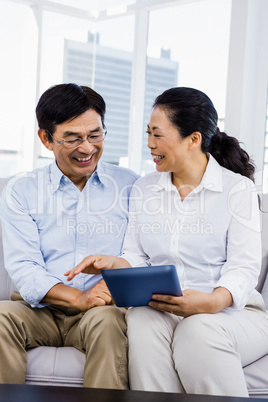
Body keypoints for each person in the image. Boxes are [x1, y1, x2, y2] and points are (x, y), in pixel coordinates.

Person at [66, 87, 268, 397]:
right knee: (142, 319)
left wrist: (212, 301)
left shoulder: (237, 190)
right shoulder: (144, 189)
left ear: (193, 139)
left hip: (232, 314)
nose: (150, 144)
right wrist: (114, 264)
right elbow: (136, 256)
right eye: (148, 133)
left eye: (158, 135)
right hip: (164, 308)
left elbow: (243, 266)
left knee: (197, 329)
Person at [0, 83, 139, 388]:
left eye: (95, 135)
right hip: (39, 308)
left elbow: (141, 253)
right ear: (45, 139)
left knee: (109, 322)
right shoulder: (21, 191)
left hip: (102, 310)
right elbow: (24, 266)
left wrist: (109, 283)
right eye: (73, 138)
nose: (87, 148)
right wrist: (78, 297)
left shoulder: (133, 187)